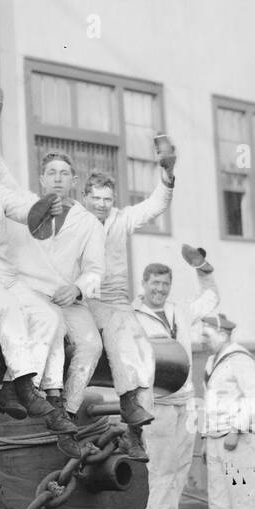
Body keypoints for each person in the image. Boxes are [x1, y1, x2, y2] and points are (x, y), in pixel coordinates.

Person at [0, 139, 77, 440]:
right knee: (7, 309)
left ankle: (12, 388)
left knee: (50, 316)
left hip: (6, 274)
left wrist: (46, 208)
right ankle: (26, 386)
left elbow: (26, 210)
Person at [81, 155, 176, 460]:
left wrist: (167, 173)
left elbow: (155, 205)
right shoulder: (72, 220)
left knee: (143, 353)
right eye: (95, 198)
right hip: (83, 299)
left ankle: (136, 432)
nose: (101, 204)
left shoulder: (121, 220)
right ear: (85, 197)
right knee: (112, 346)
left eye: (107, 199)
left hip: (117, 301)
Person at [2, 152, 107, 424]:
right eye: (51, 172)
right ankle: (26, 392)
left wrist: (77, 288)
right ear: (41, 179)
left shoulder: (89, 223)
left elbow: (95, 271)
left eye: (63, 173)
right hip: (30, 288)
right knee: (48, 327)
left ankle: (67, 410)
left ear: (73, 180)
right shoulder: (25, 204)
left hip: (66, 296)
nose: (57, 178)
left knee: (91, 344)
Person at [133, 253, 219, 509]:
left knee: (180, 468)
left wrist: (203, 269)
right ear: (143, 285)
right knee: (163, 470)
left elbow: (210, 299)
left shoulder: (178, 310)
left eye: (165, 284)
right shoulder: (131, 315)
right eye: (155, 283)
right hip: (156, 404)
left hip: (185, 399)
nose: (160, 289)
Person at [199, 313, 255, 509]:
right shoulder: (211, 361)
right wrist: (205, 438)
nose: (202, 340)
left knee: (243, 500)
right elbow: (209, 402)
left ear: (223, 334)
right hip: (216, 439)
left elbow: (253, 396)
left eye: (207, 336)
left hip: (236, 442)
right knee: (219, 502)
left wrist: (236, 429)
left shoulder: (239, 359)